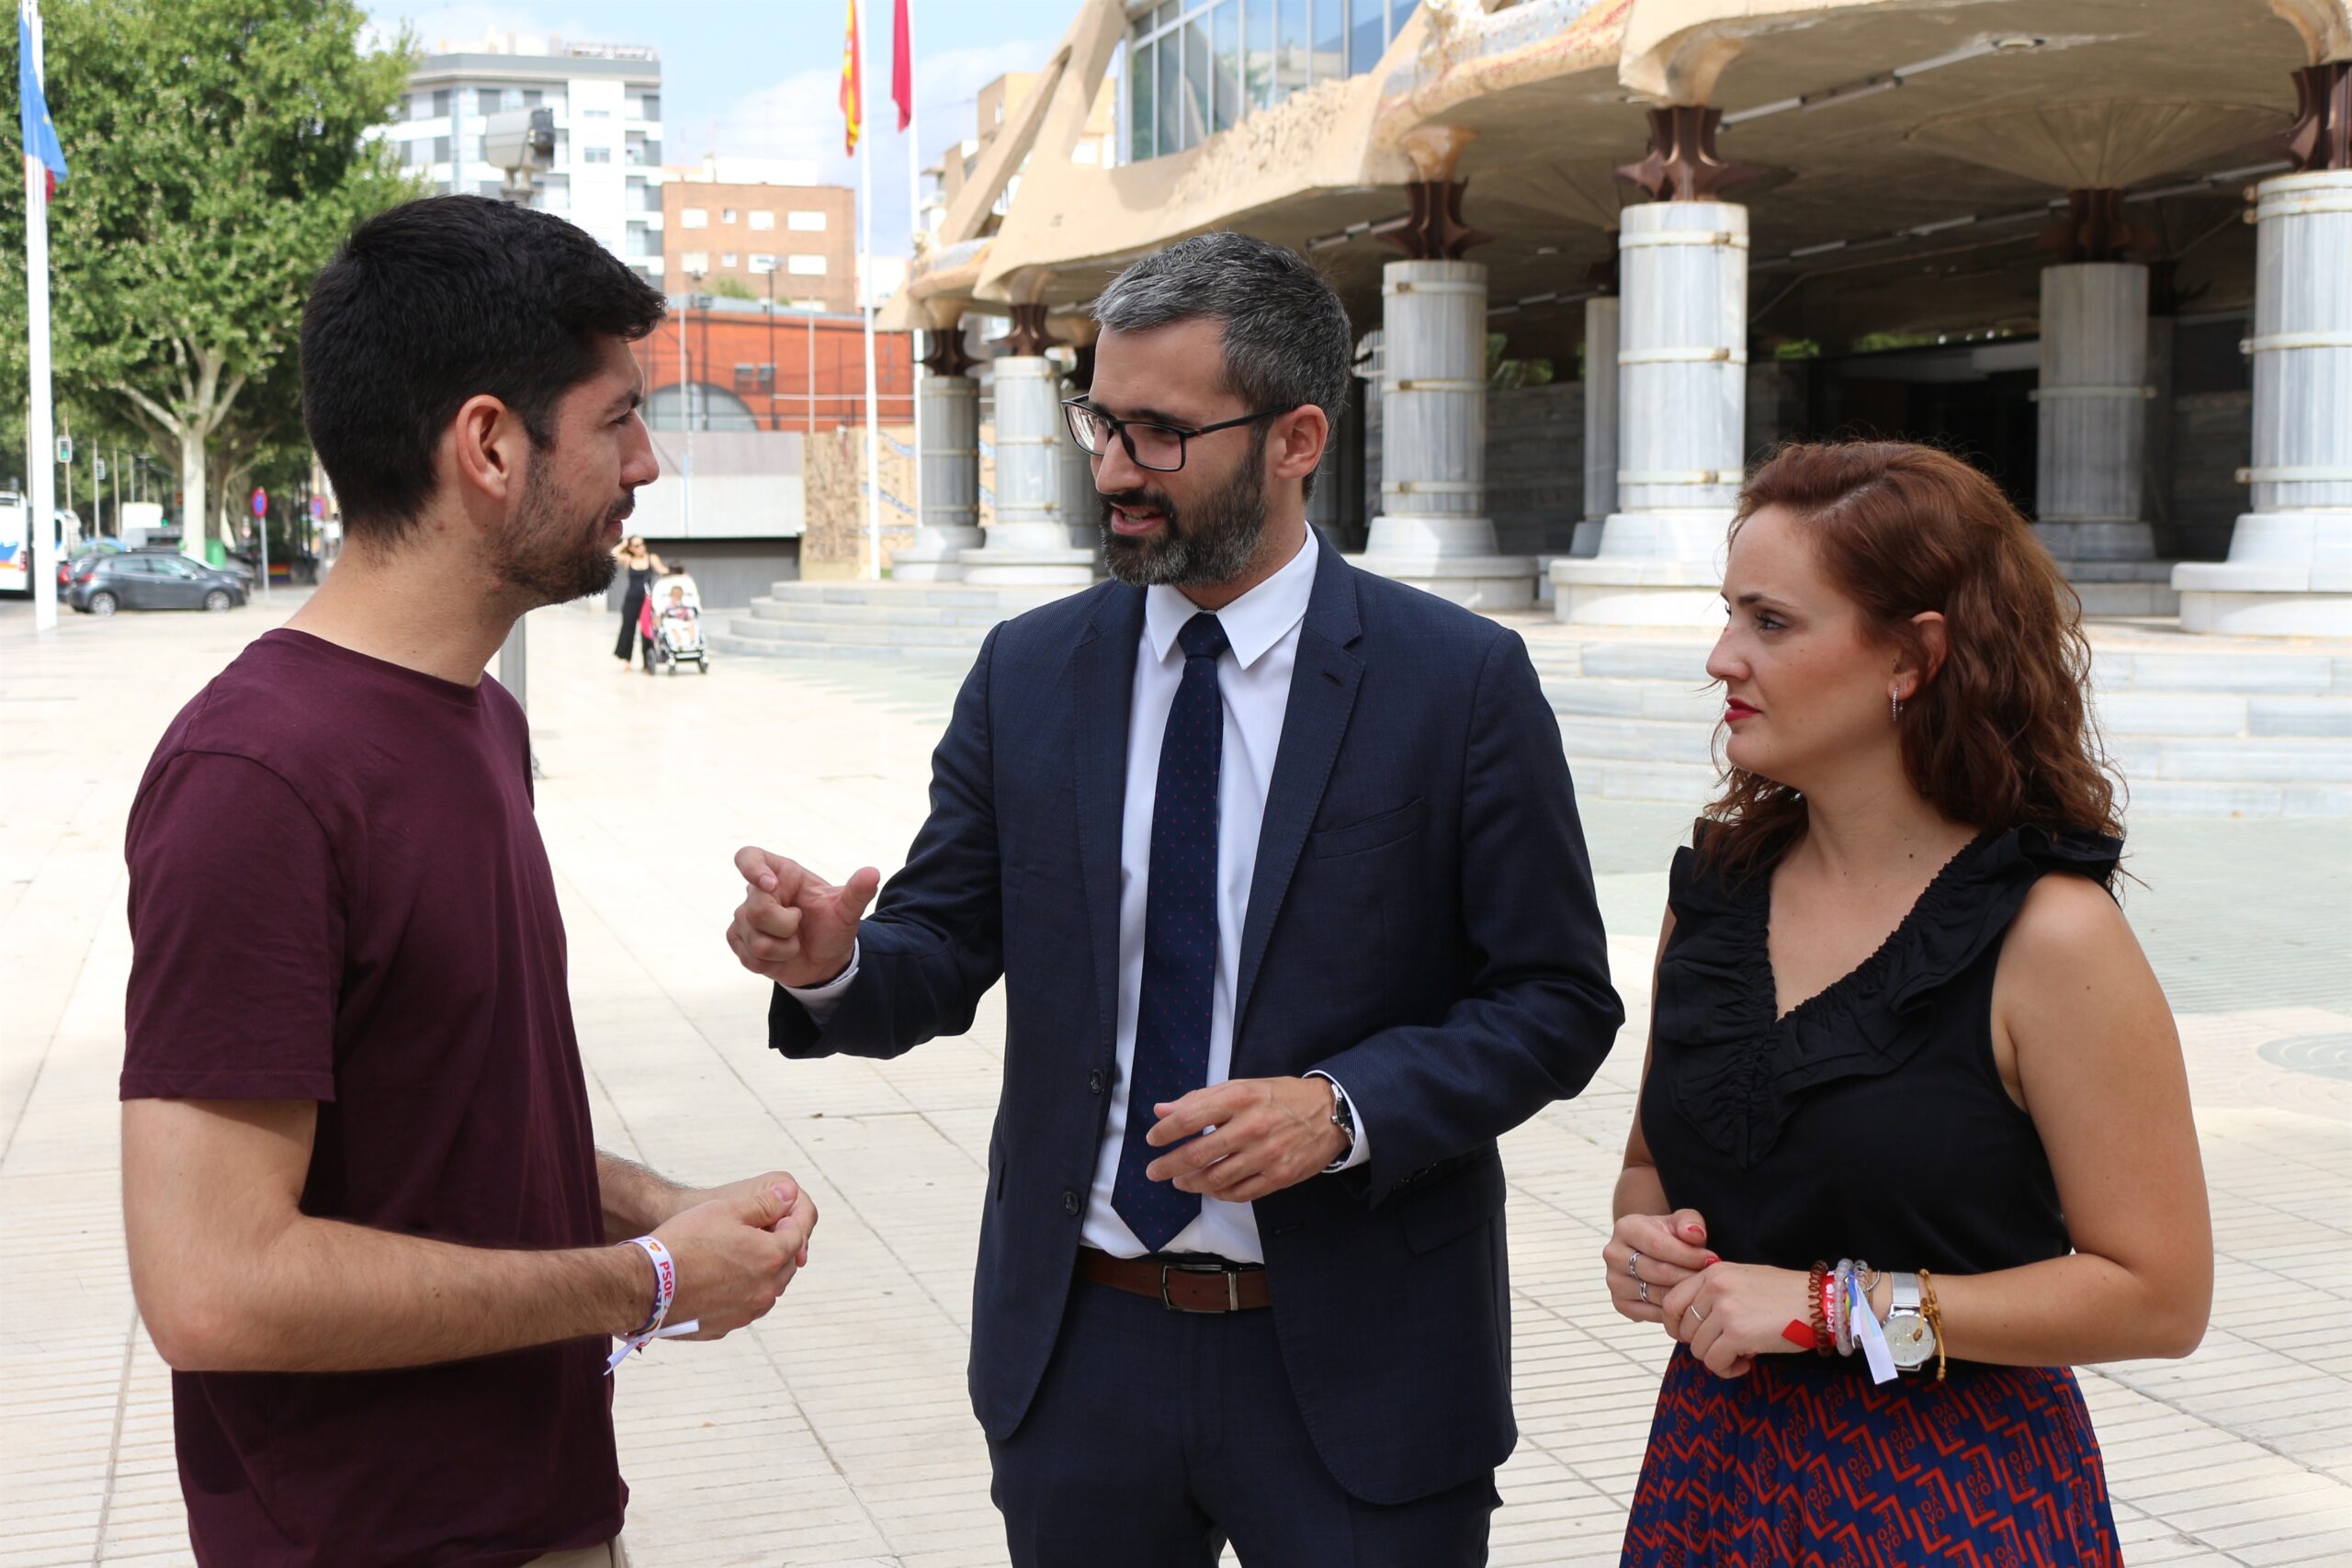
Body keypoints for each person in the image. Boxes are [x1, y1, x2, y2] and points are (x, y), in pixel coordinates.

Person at [727, 231, 1623, 1566]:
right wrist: (832, 964)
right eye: (1101, 422)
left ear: (1297, 438)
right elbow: (941, 944)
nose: (1111, 470)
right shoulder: (1028, 672)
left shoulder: (1457, 683)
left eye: (1159, 433)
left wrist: (1344, 1109)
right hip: (1080, 1355)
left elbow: (1555, 1001)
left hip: (1364, 1368)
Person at [119, 195, 819, 1568]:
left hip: (541, 1511)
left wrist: (652, 1207)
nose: (649, 462)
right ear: (490, 445)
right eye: (618, 419)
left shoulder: (480, 720)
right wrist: (644, 1281)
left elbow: (438, 1136)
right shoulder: (258, 777)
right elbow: (214, 1283)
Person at [1604, 441, 2212, 1566]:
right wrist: (1650, 1252)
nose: (1721, 656)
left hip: (1950, 1499)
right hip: (1709, 1475)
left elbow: (2158, 1300)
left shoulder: (2048, 934)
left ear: (1913, 655)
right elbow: (1650, 1167)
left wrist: (1833, 1311)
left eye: (1770, 622)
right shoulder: (1715, 902)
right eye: (1727, 614)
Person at [613, 534, 663, 670]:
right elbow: (611, 555)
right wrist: (623, 545)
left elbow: (662, 570)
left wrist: (678, 572)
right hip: (631, 600)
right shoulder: (628, 559)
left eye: (642, 544)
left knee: (647, 631)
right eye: (637, 545)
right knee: (628, 629)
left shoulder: (651, 558)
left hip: (647, 601)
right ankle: (627, 661)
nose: (641, 547)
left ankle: (647, 663)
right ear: (631, 548)